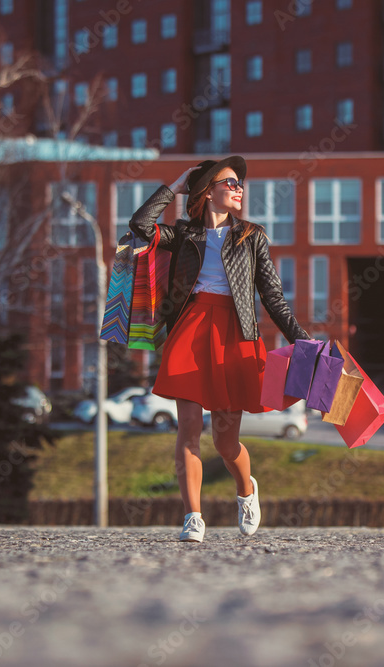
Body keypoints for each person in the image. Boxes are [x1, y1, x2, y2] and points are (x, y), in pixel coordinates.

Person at [129, 156, 310, 544]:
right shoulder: (184, 235)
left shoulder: (252, 236)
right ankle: (193, 516)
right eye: (230, 182)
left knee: (225, 442)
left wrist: (303, 340)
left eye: (240, 184)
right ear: (208, 190)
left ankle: (246, 489)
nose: (238, 188)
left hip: (235, 334)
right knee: (189, 429)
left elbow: (272, 296)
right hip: (191, 330)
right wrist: (176, 185)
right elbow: (140, 225)